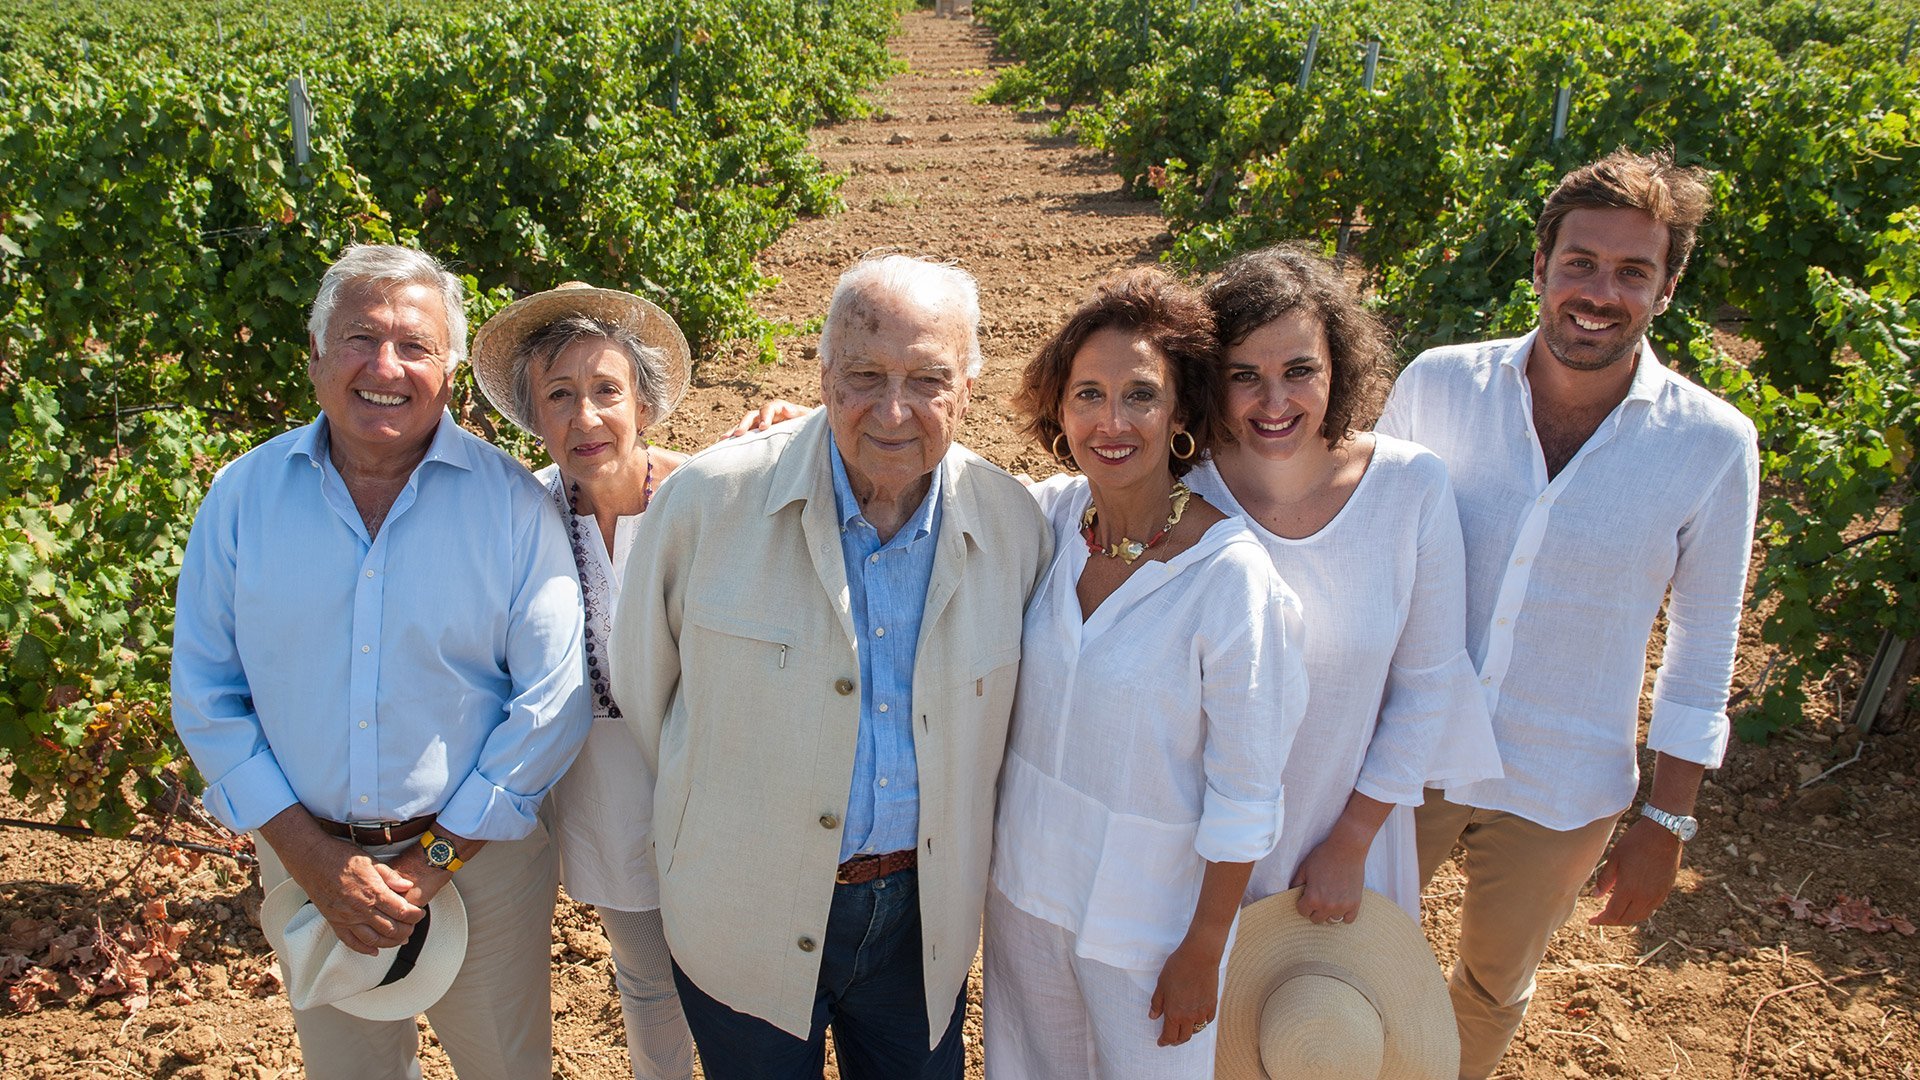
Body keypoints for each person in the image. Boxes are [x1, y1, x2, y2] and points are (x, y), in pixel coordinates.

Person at [608, 254, 1052, 1079]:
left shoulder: (1013, 525)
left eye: (928, 380)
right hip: (741, 913)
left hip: (922, 928)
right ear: (821, 378)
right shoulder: (709, 503)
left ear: (968, 388)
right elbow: (646, 688)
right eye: (864, 375)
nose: (893, 410)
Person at [1376, 149, 1761, 1079]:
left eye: (1633, 271)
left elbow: (1705, 640)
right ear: (1542, 264)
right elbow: (1369, 557)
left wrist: (1668, 820)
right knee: (1344, 957)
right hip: (1405, 752)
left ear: (1667, 289)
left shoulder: (1713, 445)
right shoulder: (1438, 384)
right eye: (1581, 262)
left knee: (1490, 987)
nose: (1600, 293)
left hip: (1564, 779)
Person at [171, 244, 592, 1080]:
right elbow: (207, 694)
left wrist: (433, 862)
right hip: (307, 867)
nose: (385, 367)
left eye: (415, 346)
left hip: (480, 869)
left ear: (451, 373)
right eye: (360, 339)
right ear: (316, 355)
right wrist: (314, 861)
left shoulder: (512, 506)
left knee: (507, 1069)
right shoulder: (242, 499)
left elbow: (552, 702)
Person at [983, 268, 1308, 1078]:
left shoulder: (1230, 580)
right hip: (1025, 896)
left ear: (1181, 413)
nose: (1112, 421)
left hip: (1149, 928)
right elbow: (930, 482)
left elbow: (1246, 792)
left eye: (1140, 395)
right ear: (1060, 411)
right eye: (1088, 395)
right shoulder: (1050, 520)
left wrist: (1206, 946)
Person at [1186, 246, 1501, 923]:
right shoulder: (1183, 487)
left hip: (1334, 847)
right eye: (1244, 376)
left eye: (1300, 370)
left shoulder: (1410, 487)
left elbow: (1428, 686)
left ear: (1339, 367)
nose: (1275, 402)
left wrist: (1352, 842)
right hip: (1190, 849)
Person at [469, 283, 696, 1080]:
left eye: (606, 390)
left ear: (644, 403)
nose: (585, 416)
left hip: (710, 782)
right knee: (647, 979)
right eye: (559, 395)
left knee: (738, 984)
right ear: (534, 416)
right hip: (603, 792)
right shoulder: (522, 513)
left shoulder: (703, 497)